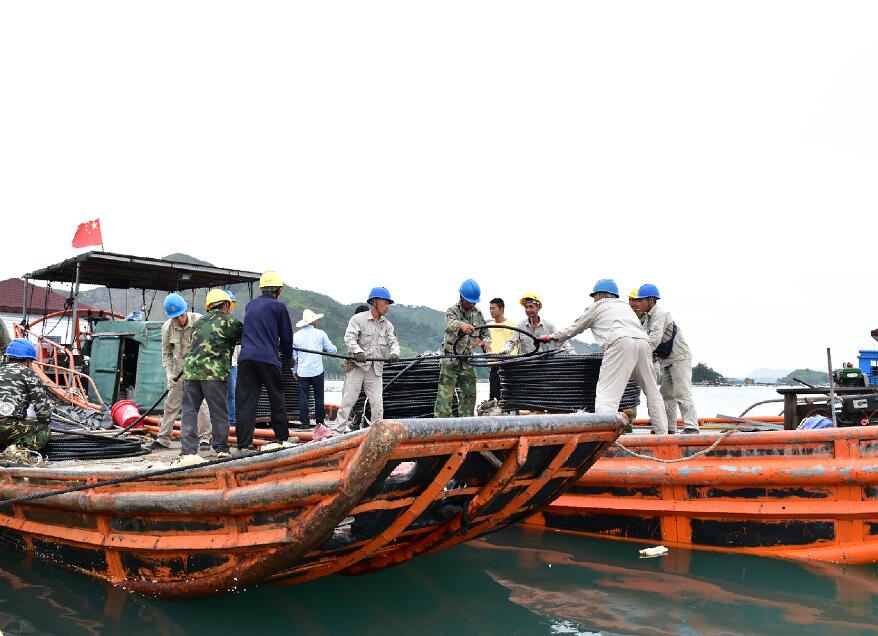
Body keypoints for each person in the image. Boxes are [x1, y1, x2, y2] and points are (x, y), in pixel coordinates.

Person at [539, 279, 669, 434]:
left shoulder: (597, 307)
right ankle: (663, 435)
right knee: (652, 391)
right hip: (643, 343)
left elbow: (573, 329)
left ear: (600, 295)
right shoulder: (625, 307)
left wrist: (551, 337)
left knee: (606, 395)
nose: (594, 300)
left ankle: (604, 438)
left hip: (619, 342)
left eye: (594, 296)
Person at [179, 290, 243, 461]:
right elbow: (247, 337)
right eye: (229, 306)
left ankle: (188, 451)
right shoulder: (229, 322)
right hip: (213, 374)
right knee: (219, 411)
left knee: (189, 411)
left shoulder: (198, 323)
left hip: (191, 373)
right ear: (225, 305)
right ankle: (221, 448)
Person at [236, 271, 294, 450]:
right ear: (278, 289)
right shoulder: (279, 307)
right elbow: (286, 337)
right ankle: (282, 439)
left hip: (246, 359)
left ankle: (243, 445)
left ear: (262, 288)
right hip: (268, 359)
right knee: (276, 398)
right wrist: (289, 358)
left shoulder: (250, 305)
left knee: (246, 402)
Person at [632, 284, 699, 434]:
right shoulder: (647, 318)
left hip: (679, 358)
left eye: (641, 301)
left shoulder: (660, 314)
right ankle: (669, 428)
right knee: (666, 395)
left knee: (682, 392)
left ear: (651, 300)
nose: (638, 304)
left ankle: (691, 426)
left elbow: (653, 340)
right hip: (666, 360)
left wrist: (637, 358)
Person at [150, 293, 212, 451]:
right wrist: (169, 374)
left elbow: (211, 344)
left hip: (199, 370)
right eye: (175, 317)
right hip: (179, 372)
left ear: (186, 310)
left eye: (181, 315)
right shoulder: (167, 328)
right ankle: (163, 439)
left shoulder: (200, 320)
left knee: (201, 404)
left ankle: (204, 438)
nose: (179, 320)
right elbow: (166, 353)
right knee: (171, 405)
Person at [335, 287, 400, 430]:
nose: (387, 306)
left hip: (375, 370)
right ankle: (337, 432)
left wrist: (395, 353)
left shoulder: (387, 325)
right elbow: (349, 338)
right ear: (375, 302)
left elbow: (393, 342)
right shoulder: (358, 319)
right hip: (357, 367)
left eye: (389, 303)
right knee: (348, 401)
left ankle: (375, 434)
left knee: (377, 405)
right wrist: (358, 351)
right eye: (385, 302)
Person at [435, 279, 492, 418]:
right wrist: (461, 326)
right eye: (470, 302)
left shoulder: (477, 313)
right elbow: (450, 324)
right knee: (445, 397)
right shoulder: (452, 311)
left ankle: (466, 425)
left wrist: (486, 342)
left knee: (470, 395)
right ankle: (441, 428)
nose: (472, 304)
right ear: (462, 298)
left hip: (467, 362)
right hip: (450, 361)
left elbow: (486, 333)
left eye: (474, 302)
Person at [0, 338, 52, 454]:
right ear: (28, 361)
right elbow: (43, 407)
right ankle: (16, 449)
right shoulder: (27, 373)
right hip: (7, 426)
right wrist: (44, 422)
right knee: (44, 431)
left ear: (8, 357)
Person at [293, 308, 337, 427]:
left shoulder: (296, 336)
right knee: (319, 397)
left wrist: (294, 371)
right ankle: (320, 422)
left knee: (303, 397)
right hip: (317, 371)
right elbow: (332, 350)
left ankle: (305, 422)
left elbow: (294, 356)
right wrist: (325, 349)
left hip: (302, 372)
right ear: (313, 321)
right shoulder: (320, 334)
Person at [503, 292, 575, 355]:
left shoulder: (549, 326)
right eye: (526, 307)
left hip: (543, 365)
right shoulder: (520, 326)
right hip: (525, 365)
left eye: (531, 307)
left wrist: (572, 353)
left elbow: (561, 339)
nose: (528, 310)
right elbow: (511, 342)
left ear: (539, 307)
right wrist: (506, 350)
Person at [487, 297, 516, 401]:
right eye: (490, 308)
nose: (491, 311)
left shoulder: (512, 325)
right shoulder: (488, 326)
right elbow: (483, 342)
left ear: (502, 309)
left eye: (493, 308)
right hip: (494, 366)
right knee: (494, 398)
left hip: (510, 366)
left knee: (511, 397)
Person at [227, 291, 239, 432]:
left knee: (231, 396)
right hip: (227, 365)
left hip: (232, 365)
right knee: (229, 396)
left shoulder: (234, 325)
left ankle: (232, 423)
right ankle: (230, 422)